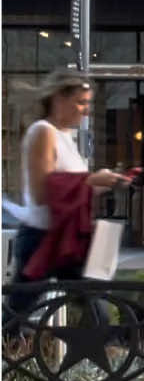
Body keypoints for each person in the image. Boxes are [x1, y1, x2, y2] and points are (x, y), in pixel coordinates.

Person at [11, 70, 124, 286]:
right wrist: (92, 181)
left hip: (66, 235)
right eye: (81, 103)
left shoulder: (64, 136)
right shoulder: (43, 131)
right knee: (20, 310)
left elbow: (71, 188)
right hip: (42, 237)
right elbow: (41, 194)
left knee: (94, 304)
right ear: (58, 99)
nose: (87, 111)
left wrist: (107, 182)